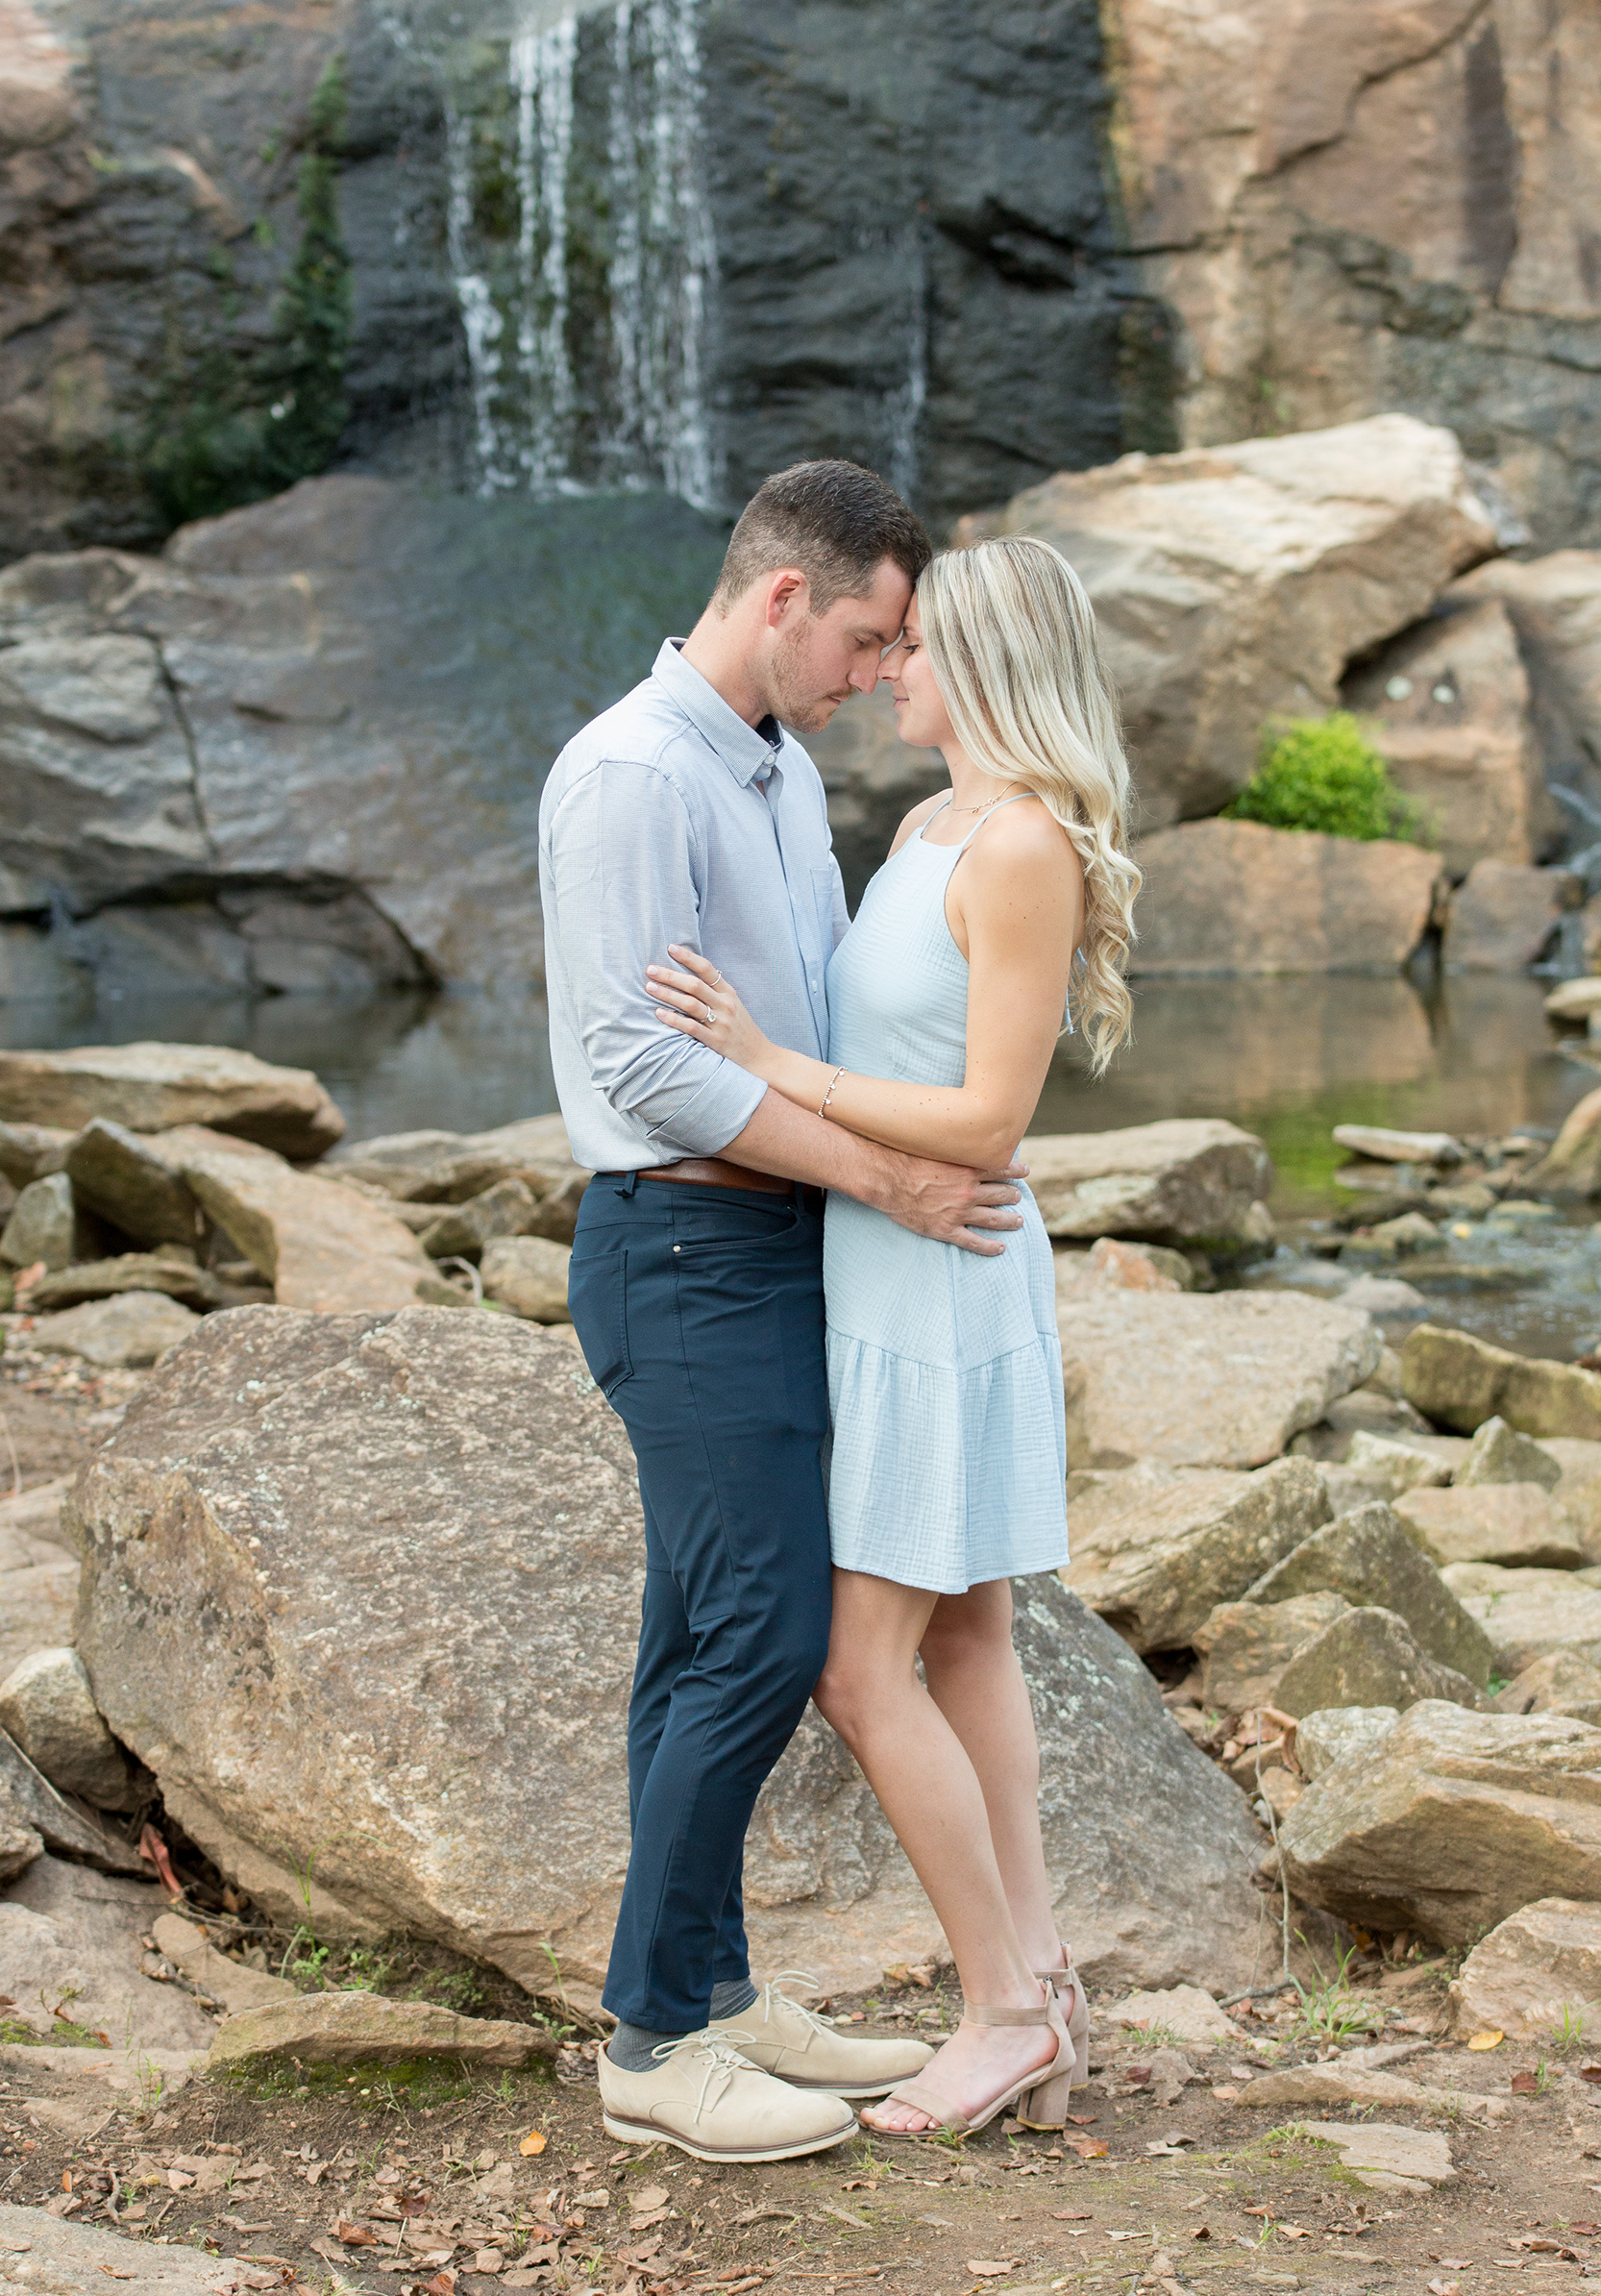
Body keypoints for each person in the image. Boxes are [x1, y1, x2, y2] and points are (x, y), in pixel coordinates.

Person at [541, 459, 1035, 2164]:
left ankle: (717, 1987)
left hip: (776, 1256)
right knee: (762, 1639)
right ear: (781, 599)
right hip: (680, 1255)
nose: (881, 672)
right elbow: (634, 1062)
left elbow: (804, 1020)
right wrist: (890, 1181)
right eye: (869, 637)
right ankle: (653, 2042)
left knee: (700, 1635)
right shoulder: (627, 775)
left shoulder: (773, 769)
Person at [647, 533, 1140, 2140]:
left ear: (984, 665)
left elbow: (992, 1118)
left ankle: (996, 2009)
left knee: (864, 1676)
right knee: (970, 1633)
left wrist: (769, 1066)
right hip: (889, 1269)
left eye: (915, 647)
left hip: (938, 1280)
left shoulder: (1017, 848)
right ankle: (1044, 1984)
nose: (888, 670)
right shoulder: (930, 824)